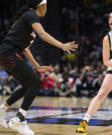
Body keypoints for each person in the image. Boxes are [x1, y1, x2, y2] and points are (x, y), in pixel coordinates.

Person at [0, 0, 78, 135]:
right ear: (41, 6)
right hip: (9, 53)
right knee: (37, 82)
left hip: (7, 54)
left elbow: (25, 48)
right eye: (46, 5)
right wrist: (62, 45)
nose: (47, 8)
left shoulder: (28, 20)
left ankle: (2, 109)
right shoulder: (31, 15)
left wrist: (37, 66)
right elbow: (43, 35)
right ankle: (19, 119)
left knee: (27, 85)